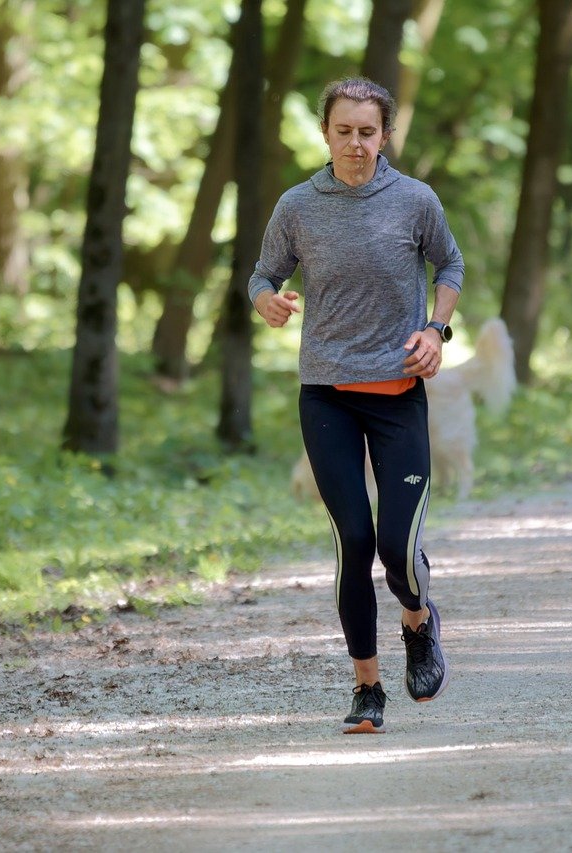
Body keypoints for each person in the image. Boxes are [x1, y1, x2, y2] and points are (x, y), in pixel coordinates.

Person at [248, 77, 464, 733]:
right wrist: (267, 300)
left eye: (367, 131)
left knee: (399, 549)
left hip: (398, 395)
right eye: (344, 130)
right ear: (326, 134)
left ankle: (419, 619)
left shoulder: (414, 201)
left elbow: (449, 268)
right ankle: (367, 687)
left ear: (384, 135)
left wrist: (436, 329)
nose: (355, 143)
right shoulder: (298, 206)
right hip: (327, 396)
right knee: (354, 540)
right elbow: (264, 276)